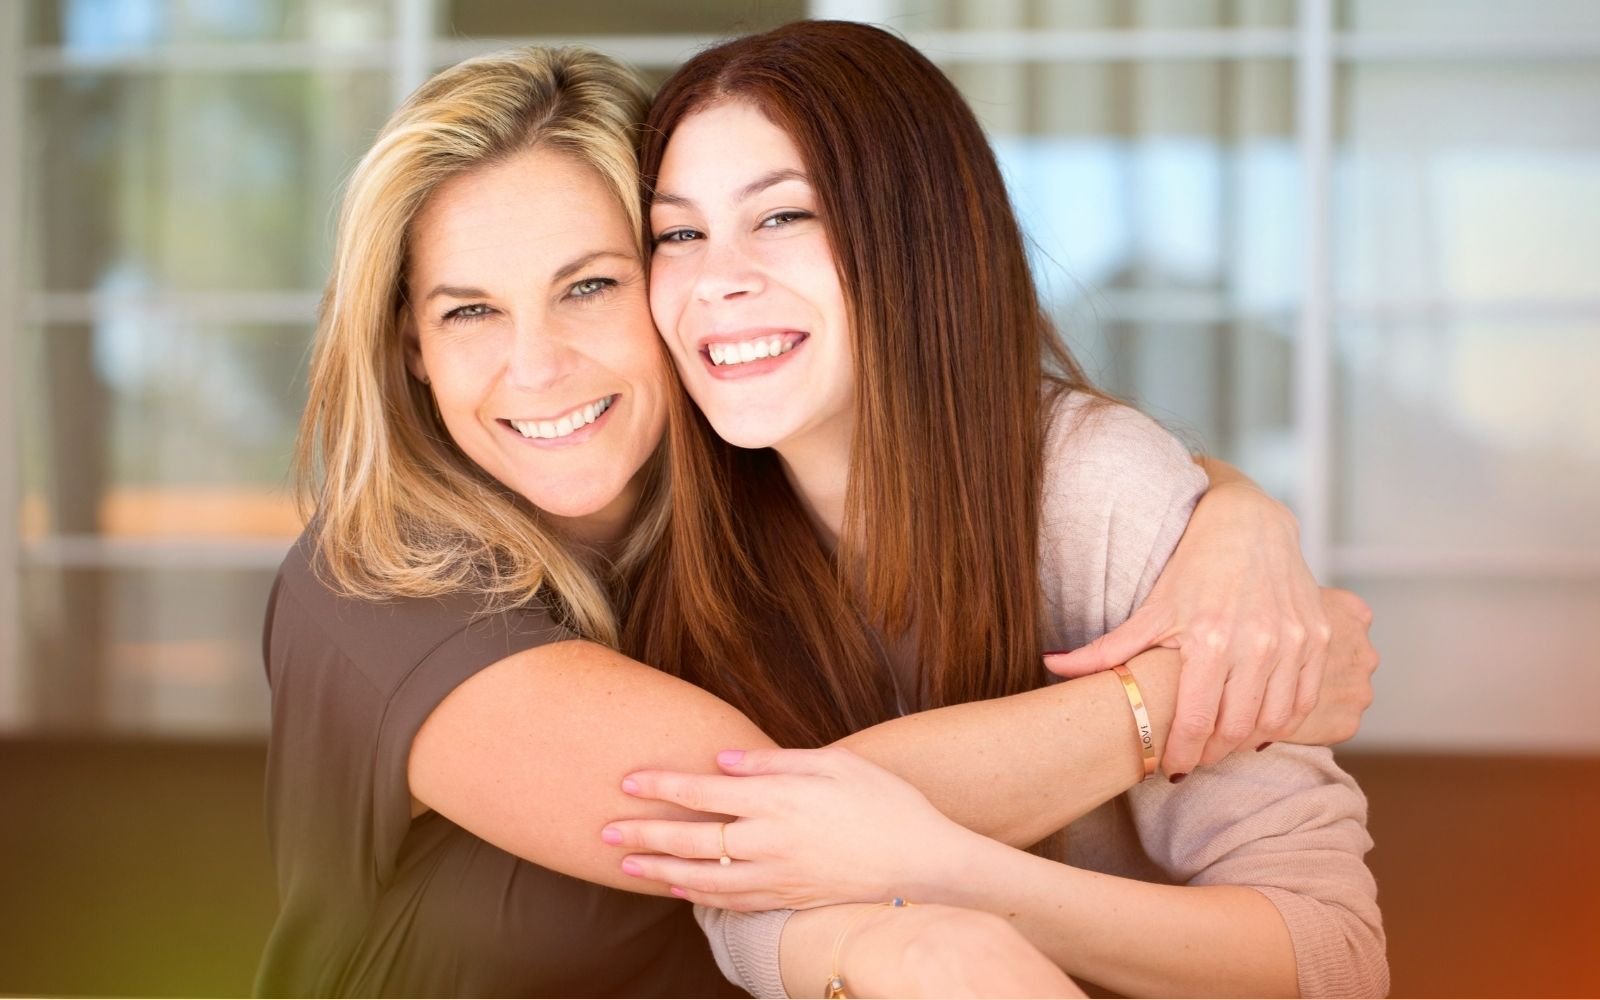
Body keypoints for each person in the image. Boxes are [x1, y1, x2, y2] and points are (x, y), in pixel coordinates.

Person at [257, 42, 1376, 998]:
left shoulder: (735, 499)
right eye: (468, 311)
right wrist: (1192, 688)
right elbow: (755, 836)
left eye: (592, 283)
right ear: (406, 345)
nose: (537, 362)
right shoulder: (380, 585)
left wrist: (1234, 516)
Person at [600, 19, 1389, 999]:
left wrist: (942, 868)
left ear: (919, 233)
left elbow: (1332, 957)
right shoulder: (663, 528)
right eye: (678, 232)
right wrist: (1157, 699)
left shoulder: (1095, 491)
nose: (718, 278)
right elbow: (743, 872)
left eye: (783, 216)